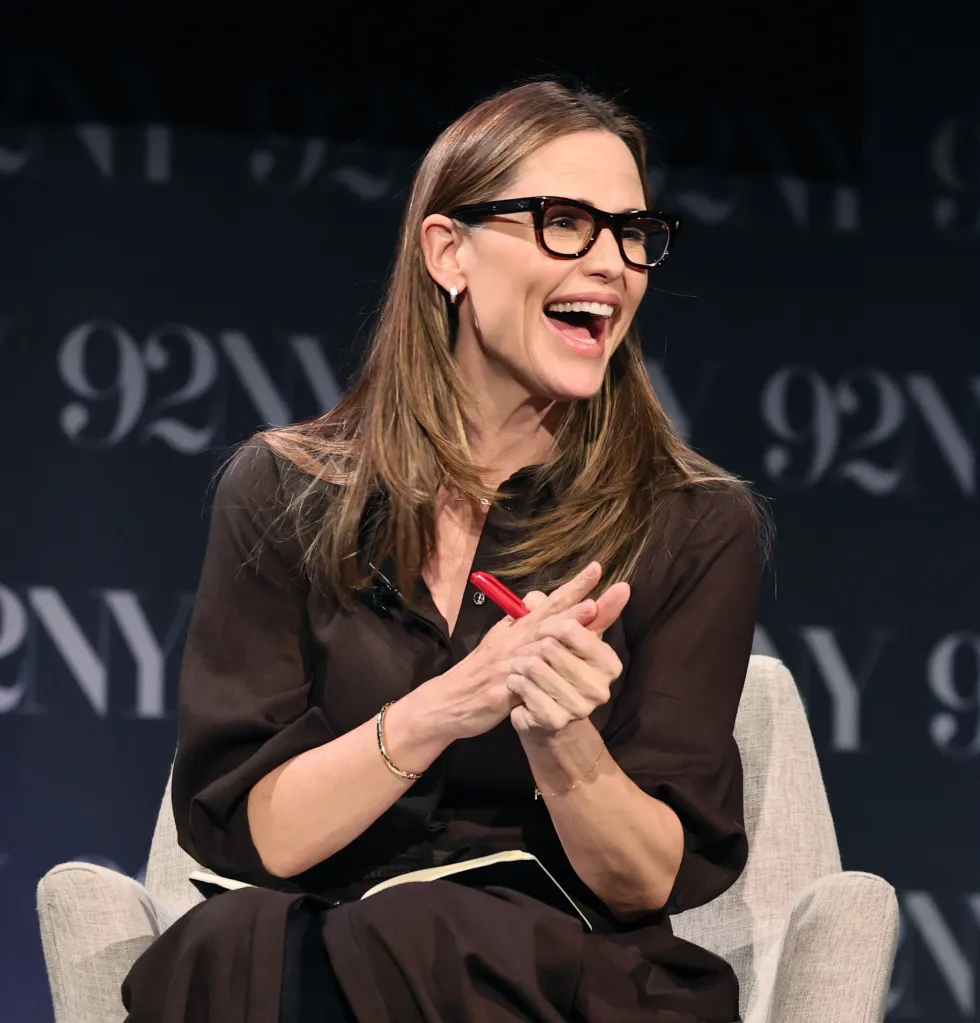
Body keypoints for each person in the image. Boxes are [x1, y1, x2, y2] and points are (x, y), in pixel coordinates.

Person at [121, 79, 767, 1023]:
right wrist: (442, 710)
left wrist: (560, 738)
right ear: (447, 251)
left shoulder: (691, 522)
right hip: (315, 946)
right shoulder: (287, 492)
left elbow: (644, 880)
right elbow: (251, 836)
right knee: (221, 949)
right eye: (562, 222)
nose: (611, 264)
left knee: (429, 932)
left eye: (632, 233)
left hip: (554, 974)